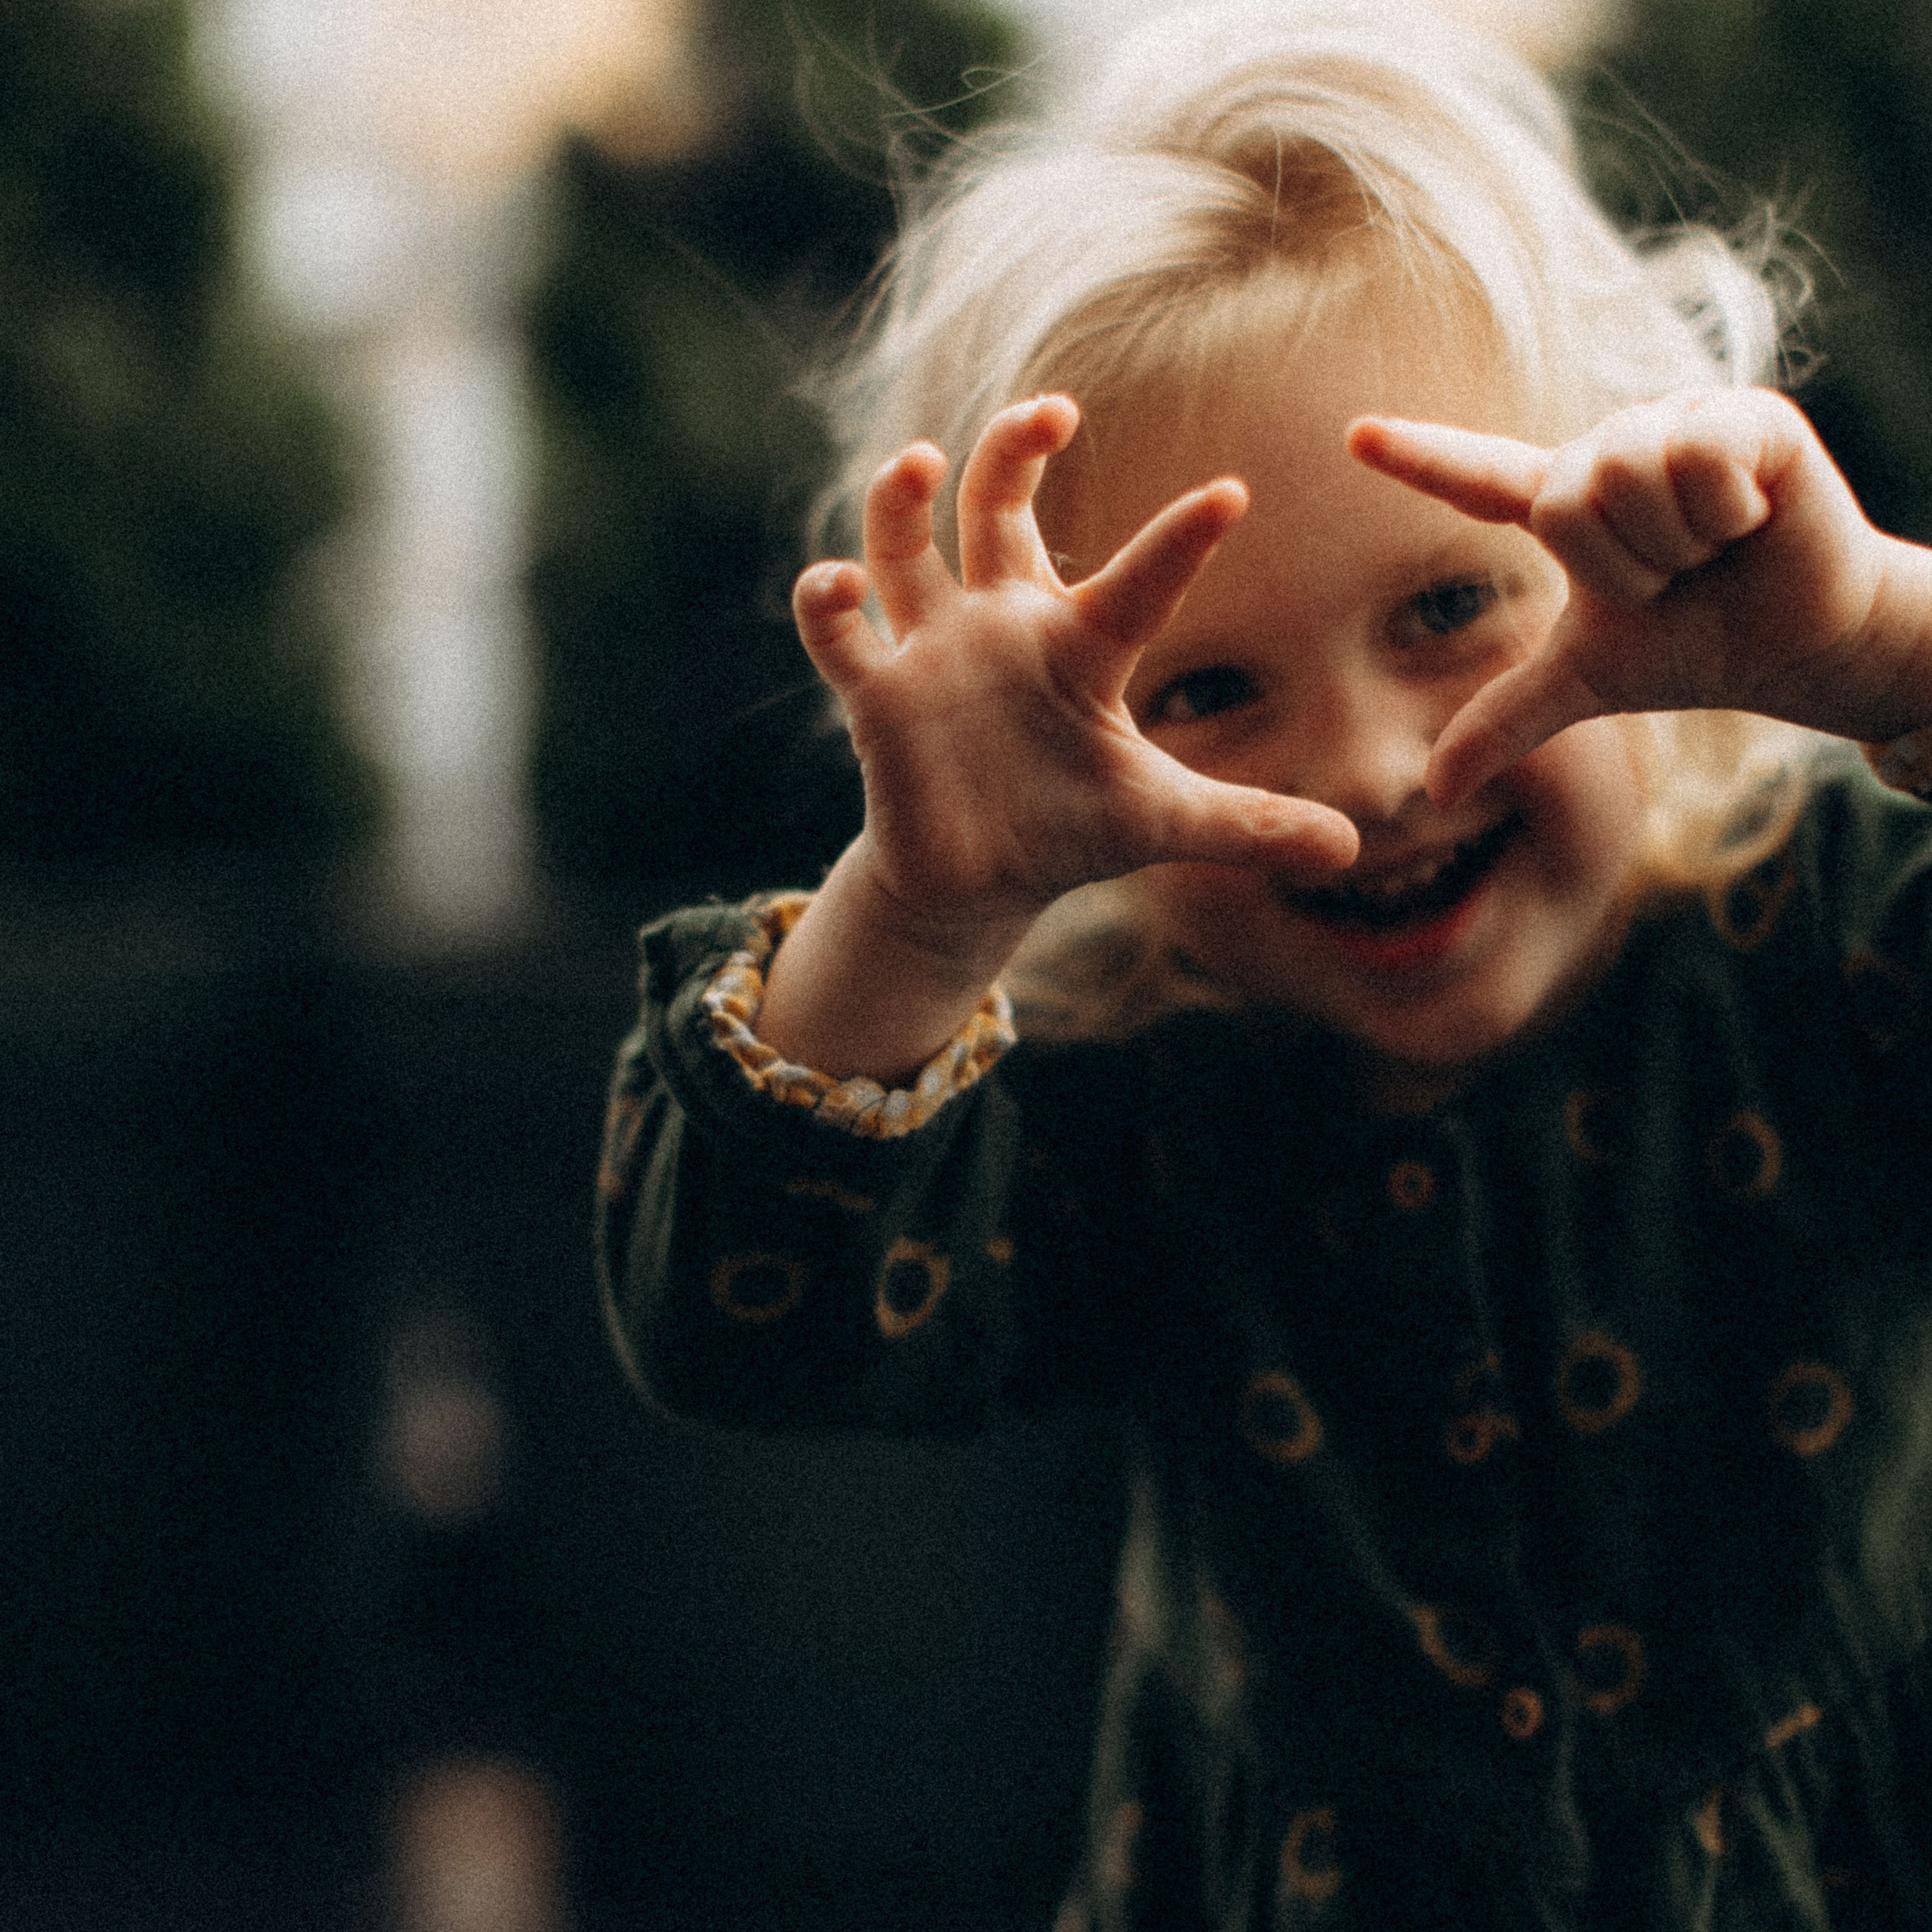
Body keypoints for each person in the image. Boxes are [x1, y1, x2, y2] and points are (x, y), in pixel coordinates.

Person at [594, 4, 1932, 1922]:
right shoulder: (1128, 1067)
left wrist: (1883, 645)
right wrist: (926, 905)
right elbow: (742, 1315)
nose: (1373, 775)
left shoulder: (1825, 928)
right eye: (1205, 687)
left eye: (1449, 605)